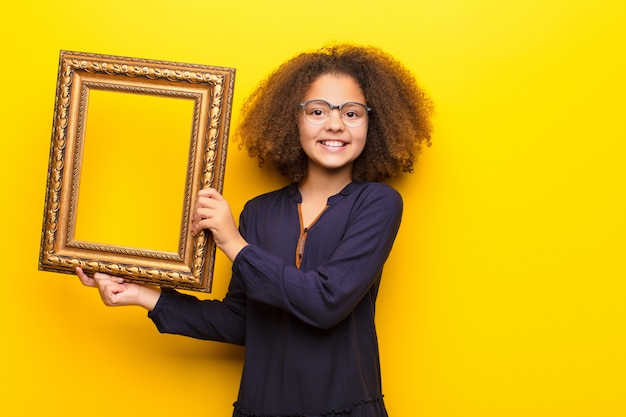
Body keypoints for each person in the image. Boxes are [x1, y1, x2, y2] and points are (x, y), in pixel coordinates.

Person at [76, 43, 433, 417]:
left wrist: (234, 243)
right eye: (317, 111)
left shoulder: (377, 204)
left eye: (352, 113)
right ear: (290, 120)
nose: (334, 124)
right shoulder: (258, 212)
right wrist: (142, 294)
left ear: (372, 124)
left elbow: (327, 302)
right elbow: (243, 322)